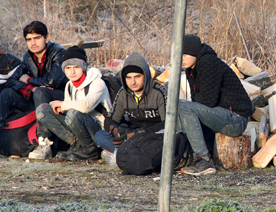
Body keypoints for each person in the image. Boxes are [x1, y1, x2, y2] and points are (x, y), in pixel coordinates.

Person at [0, 21, 68, 156]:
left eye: (37, 38)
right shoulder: (29, 57)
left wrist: (28, 80)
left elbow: (51, 81)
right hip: (37, 96)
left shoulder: (58, 53)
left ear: (46, 38)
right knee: (7, 93)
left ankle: (43, 143)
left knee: (40, 91)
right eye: (29, 39)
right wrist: (31, 89)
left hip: (59, 98)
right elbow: (12, 80)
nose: (33, 43)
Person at [177, 34, 253, 176]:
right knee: (180, 112)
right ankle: (182, 157)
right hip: (221, 115)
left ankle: (204, 161)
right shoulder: (192, 69)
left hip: (235, 119)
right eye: (179, 54)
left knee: (183, 106)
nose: (182, 58)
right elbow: (198, 101)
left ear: (194, 52)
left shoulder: (208, 62)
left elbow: (207, 101)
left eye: (185, 54)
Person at [28, 46, 111, 161]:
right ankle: (77, 145)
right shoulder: (69, 86)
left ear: (83, 67)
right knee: (43, 110)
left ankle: (90, 150)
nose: (72, 72)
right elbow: (67, 109)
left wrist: (63, 104)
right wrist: (56, 106)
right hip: (78, 127)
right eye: (68, 68)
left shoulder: (97, 83)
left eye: (76, 67)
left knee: (73, 113)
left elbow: (85, 106)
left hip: (98, 130)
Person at [94, 52, 167, 167]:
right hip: (130, 136)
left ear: (146, 75)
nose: (133, 82)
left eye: (137, 77)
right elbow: (110, 119)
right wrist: (116, 131)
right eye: (128, 78)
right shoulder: (123, 93)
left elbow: (168, 123)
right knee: (100, 135)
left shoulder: (160, 92)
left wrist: (139, 134)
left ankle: (121, 154)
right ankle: (126, 153)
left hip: (153, 136)